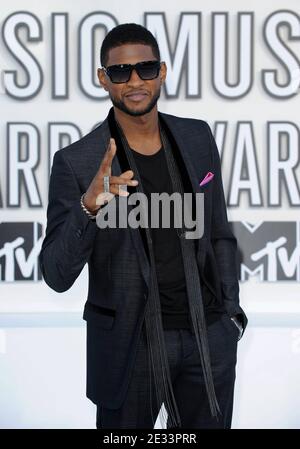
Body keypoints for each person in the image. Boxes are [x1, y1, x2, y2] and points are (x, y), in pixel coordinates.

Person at [39, 23, 248, 429]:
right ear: (104, 79)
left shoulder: (196, 137)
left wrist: (229, 313)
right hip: (130, 349)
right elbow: (56, 274)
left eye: (145, 69)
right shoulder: (78, 162)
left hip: (208, 336)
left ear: (162, 71)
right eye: (120, 72)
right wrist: (88, 207)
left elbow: (219, 231)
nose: (135, 81)